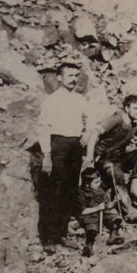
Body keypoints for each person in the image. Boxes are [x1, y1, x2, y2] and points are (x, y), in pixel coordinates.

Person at [36, 60, 89, 254]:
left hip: (75, 146)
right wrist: (47, 155)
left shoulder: (80, 100)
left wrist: (87, 132)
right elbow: (43, 127)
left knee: (70, 191)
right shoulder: (51, 101)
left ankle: (62, 234)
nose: (74, 79)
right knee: (53, 192)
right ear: (59, 78)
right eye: (70, 76)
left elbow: (91, 117)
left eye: (76, 75)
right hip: (57, 145)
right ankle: (48, 238)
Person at [84, 94, 137, 221]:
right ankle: (129, 209)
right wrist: (89, 157)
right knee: (117, 174)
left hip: (120, 158)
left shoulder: (135, 126)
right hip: (104, 158)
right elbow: (95, 133)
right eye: (136, 109)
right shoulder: (116, 120)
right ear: (126, 108)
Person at [77, 167, 123, 257]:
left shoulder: (100, 190)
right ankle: (89, 245)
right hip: (90, 214)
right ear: (87, 184)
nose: (99, 184)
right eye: (96, 182)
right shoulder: (81, 193)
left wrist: (115, 202)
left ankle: (113, 234)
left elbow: (107, 205)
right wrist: (97, 208)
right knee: (91, 227)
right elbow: (82, 211)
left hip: (102, 212)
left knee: (114, 216)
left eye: (100, 181)